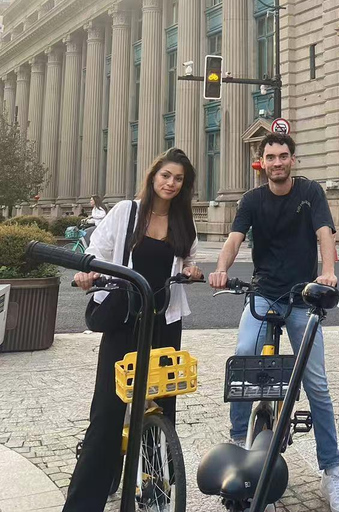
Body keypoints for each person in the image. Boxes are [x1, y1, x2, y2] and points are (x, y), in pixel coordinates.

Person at [208, 133, 339, 512]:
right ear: (261, 161)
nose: (277, 162)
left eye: (283, 156)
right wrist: (221, 269)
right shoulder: (252, 200)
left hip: (302, 296)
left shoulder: (310, 192)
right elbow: (235, 238)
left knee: (316, 382)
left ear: (293, 160)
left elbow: (325, 235)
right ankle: (238, 444)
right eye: (271, 156)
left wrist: (328, 273)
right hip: (263, 292)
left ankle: (331, 470)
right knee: (242, 358)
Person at [64, 148, 203, 512]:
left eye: (178, 179)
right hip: (126, 321)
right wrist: (87, 272)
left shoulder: (182, 220)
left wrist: (193, 270)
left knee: (160, 407)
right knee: (108, 412)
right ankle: (84, 502)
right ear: (153, 176)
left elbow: (187, 258)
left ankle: (156, 495)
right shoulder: (127, 212)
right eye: (166, 176)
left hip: (164, 323)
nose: (171, 184)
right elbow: (97, 250)